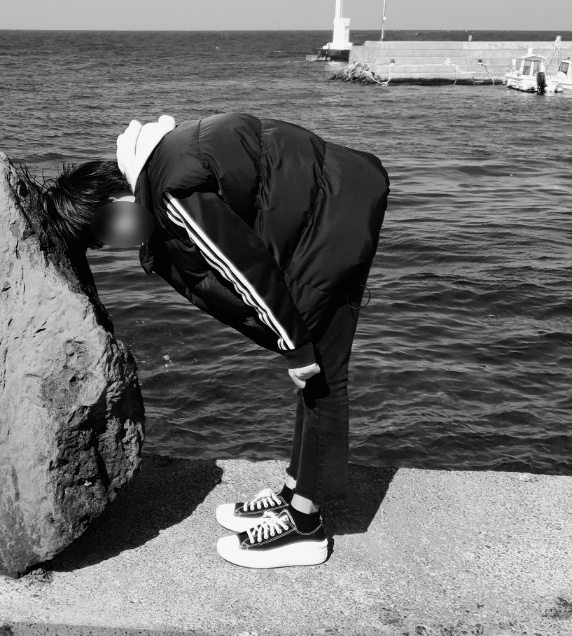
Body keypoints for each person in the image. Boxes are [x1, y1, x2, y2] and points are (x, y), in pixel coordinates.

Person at [42, 113, 388, 569]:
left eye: (104, 230)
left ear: (118, 199)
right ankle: (295, 493)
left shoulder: (171, 193)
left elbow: (242, 265)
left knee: (320, 374)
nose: (112, 245)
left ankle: (305, 527)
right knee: (313, 374)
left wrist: (294, 345)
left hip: (336, 211)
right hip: (334, 198)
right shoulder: (162, 169)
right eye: (99, 243)